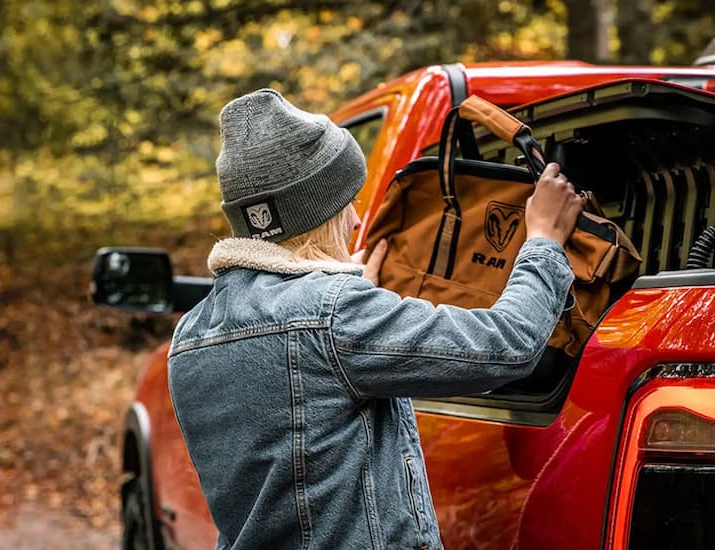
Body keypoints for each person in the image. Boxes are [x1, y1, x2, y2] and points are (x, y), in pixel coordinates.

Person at [168, 89, 582, 550]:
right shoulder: (334, 317)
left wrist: (346, 289)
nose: (355, 217)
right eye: (347, 201)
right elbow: (509, 344)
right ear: (319, 213)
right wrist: (544, 239)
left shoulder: (191, 334)